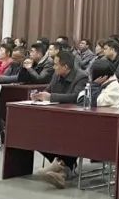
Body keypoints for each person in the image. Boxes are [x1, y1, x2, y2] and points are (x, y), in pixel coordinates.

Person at [33, 51, 90, 188]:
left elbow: (76, 97)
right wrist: (39, 96)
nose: (54, 67)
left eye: (56, 65)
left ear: (65, 66)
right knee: (35, 134)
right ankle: (61, 168)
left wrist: (51, 97)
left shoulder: (81, 77)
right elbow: (48, 90)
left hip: (74, 119)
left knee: (68, 136)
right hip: (55, 116)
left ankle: (60, 167)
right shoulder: (56, 75)